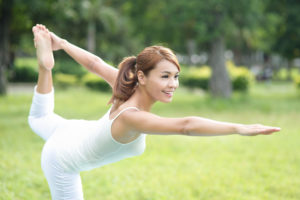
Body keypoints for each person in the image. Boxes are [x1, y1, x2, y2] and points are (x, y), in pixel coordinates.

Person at [28, 24, 280, 200]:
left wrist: (61, 43)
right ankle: (46, 66)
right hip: (62, 159)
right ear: (142, 77)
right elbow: (186, 125)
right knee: (39, 119)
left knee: (39, 118)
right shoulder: (132, 117)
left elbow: (95, 64)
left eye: (175, 76)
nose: (173, 84)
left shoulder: (124, 85)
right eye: (165, 76)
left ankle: (45, 68)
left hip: (75, 132)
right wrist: (238, 128)